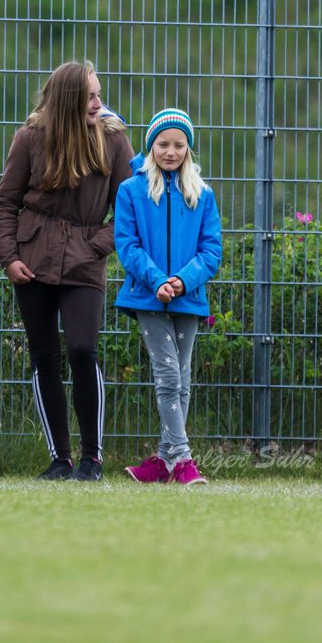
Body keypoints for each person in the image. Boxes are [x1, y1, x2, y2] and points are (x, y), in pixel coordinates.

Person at [0, 60, 133, 481]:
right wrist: (9, 257)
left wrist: (95, 246)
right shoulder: (31, 137)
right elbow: (4, 204)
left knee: (82, 350)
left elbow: (130, 210)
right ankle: (60, 457)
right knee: (44, 357)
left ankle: (92, 457)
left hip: (84, 263)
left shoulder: (113, 141)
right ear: (70, 99)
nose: (98, 103)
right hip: (32, 261)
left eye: (99, 94)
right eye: (90, 95)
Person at [114, 108, 222, 486]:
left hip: (188, 299)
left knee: (182, 377)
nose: (171, 151)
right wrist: (158, 280)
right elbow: (127, 245)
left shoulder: (203, 195)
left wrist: (182, 282)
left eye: (179, 145)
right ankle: (184, 458)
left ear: (188, 149)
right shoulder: (131, 191)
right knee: (166, 374)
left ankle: (163, 461)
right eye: (163, 144)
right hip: (147, 298)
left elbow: (211, 251)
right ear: (150, 147)